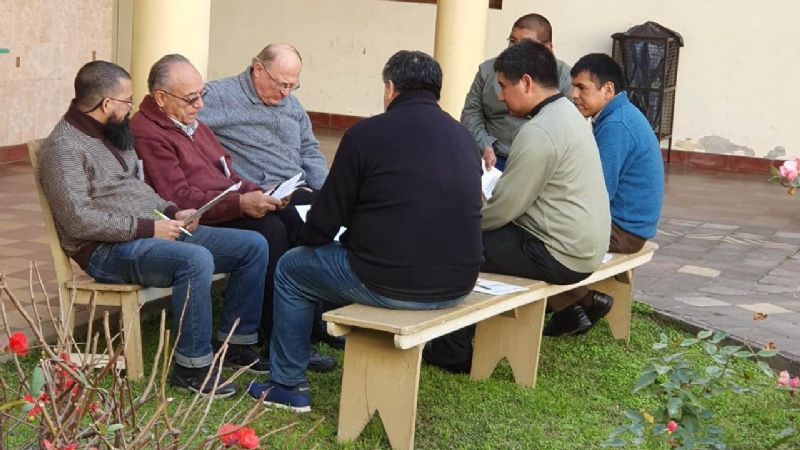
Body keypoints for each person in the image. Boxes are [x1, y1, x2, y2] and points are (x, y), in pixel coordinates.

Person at [247, 50, 484, 412]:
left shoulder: (366, 135)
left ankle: (288, 384)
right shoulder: (464, 138)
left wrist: (307, 240)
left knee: (293, 269)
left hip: (390, 281)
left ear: (390, 88)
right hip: (459, 282)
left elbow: (326, 218)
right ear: (437, 90)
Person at [37, 60, 268, 398]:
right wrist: (149, 229)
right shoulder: (64, 148)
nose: (133, 107)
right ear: (106, 105)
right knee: (195, 259)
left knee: (253, 246)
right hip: (103, 251)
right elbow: (78, 220)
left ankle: (235, 345)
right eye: (128, 101)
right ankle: (191, 368)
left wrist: (175, 210)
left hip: (150, 231)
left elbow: (138, 189)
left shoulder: (115, 133)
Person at [130, 54, 335, 373]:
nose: (200, 105)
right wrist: (241, 203)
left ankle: (294, 329)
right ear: (160, 98)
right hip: (188, 218)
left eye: (201, 96)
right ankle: (271, 336)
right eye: (191, 98)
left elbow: (226, 168)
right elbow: (178, 197)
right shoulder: (149, 132)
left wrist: (258, 192)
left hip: (226, 200)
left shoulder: (187, 120)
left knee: (293, 220)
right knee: (269, 231)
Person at [423, 41, 611, 373]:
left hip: (559, 253)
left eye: (504, 86)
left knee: (457, 245)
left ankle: (451, 351)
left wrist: (457, 224)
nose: (499, 97)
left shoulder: (539, 130)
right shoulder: (567, 113)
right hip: (584, 248)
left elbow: (504, 209)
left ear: (526, 82)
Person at [542, 53, 663, 335]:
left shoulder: (616, 126)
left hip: (623, 231)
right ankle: (580, 303)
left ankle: (577, 302)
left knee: (539, 234)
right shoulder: (619, 115)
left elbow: (597, 194)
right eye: (572, 87)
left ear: (607, 90)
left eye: (582, 88)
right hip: (627, 224)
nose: (573, 95)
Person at [199, 43, 327, 204]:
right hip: (264, 195)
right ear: (258, 69)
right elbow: (176, 117)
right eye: (281, 84)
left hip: (301, 188)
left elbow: (309, 149)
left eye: (292, 86)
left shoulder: (292, 104)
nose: (286, 93)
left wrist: (325, 189)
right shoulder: (219, 96)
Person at [461, 13, 573, 171]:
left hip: (537, 162)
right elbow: (471, 114)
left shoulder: (565, 77)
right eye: (513, 42)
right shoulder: (488, 71)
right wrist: (485, 145)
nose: (517, 50)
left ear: (547, 49)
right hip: (491, 157)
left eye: (526, 44)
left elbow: (565, 128)